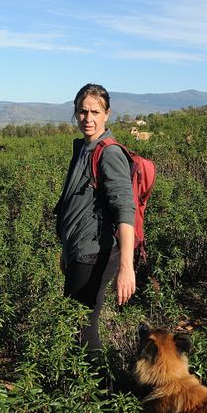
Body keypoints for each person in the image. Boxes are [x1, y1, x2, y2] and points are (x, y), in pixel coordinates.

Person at [55, 83, 136, 356]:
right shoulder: (84, 148)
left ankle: (106, 393)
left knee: (82, 331)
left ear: (107, 114)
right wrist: (66, 250)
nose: (87, 119)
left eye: (95, 112)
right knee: (75, 326)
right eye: (82, 111)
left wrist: (127, 267)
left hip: (93, 254)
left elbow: (126, 211)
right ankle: (87, 391)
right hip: (79, 251)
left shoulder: (109, 153)